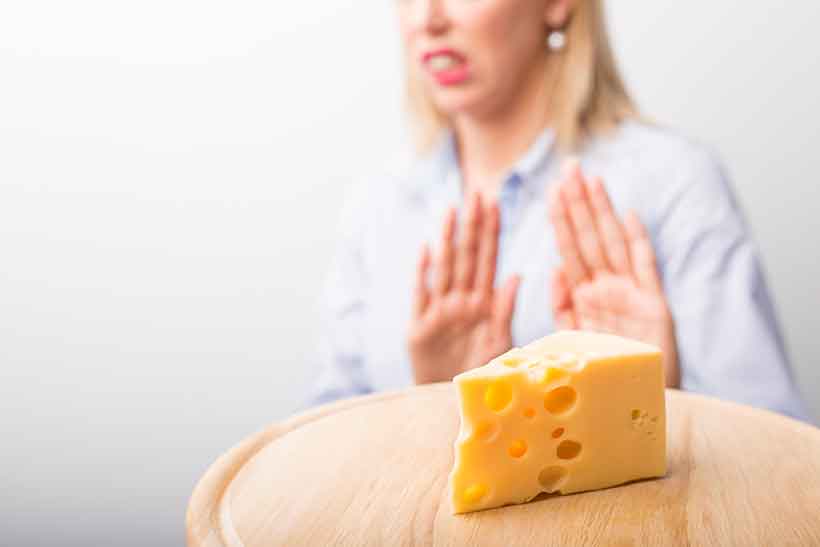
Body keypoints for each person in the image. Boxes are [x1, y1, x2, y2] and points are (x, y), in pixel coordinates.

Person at [309, 0, 809, 420]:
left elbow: (780, 470)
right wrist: (434, 412)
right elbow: (313, 460)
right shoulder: (377, 206)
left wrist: (656, 405)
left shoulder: (671, 181)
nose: (427, 18)